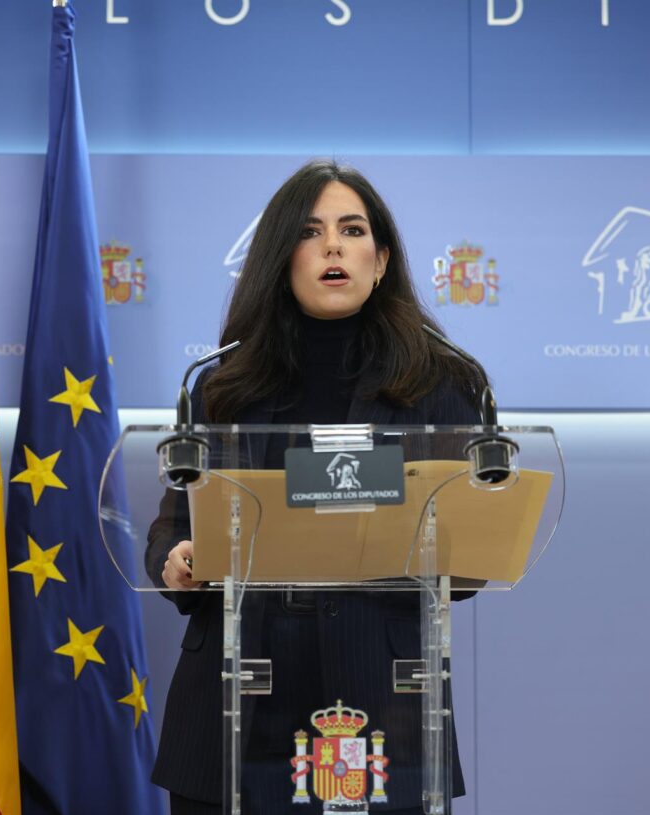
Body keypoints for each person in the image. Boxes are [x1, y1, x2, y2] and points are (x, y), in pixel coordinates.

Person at [146, 160, 486, 814]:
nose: (334, 245)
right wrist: (174, 557)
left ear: (380, 259)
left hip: (384, 700)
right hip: (233, 710)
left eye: (352, 230)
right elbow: (175, 520)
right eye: (311, 231)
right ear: (282, 257)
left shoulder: (444, 384)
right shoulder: (219, 384)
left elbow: (467, 562)